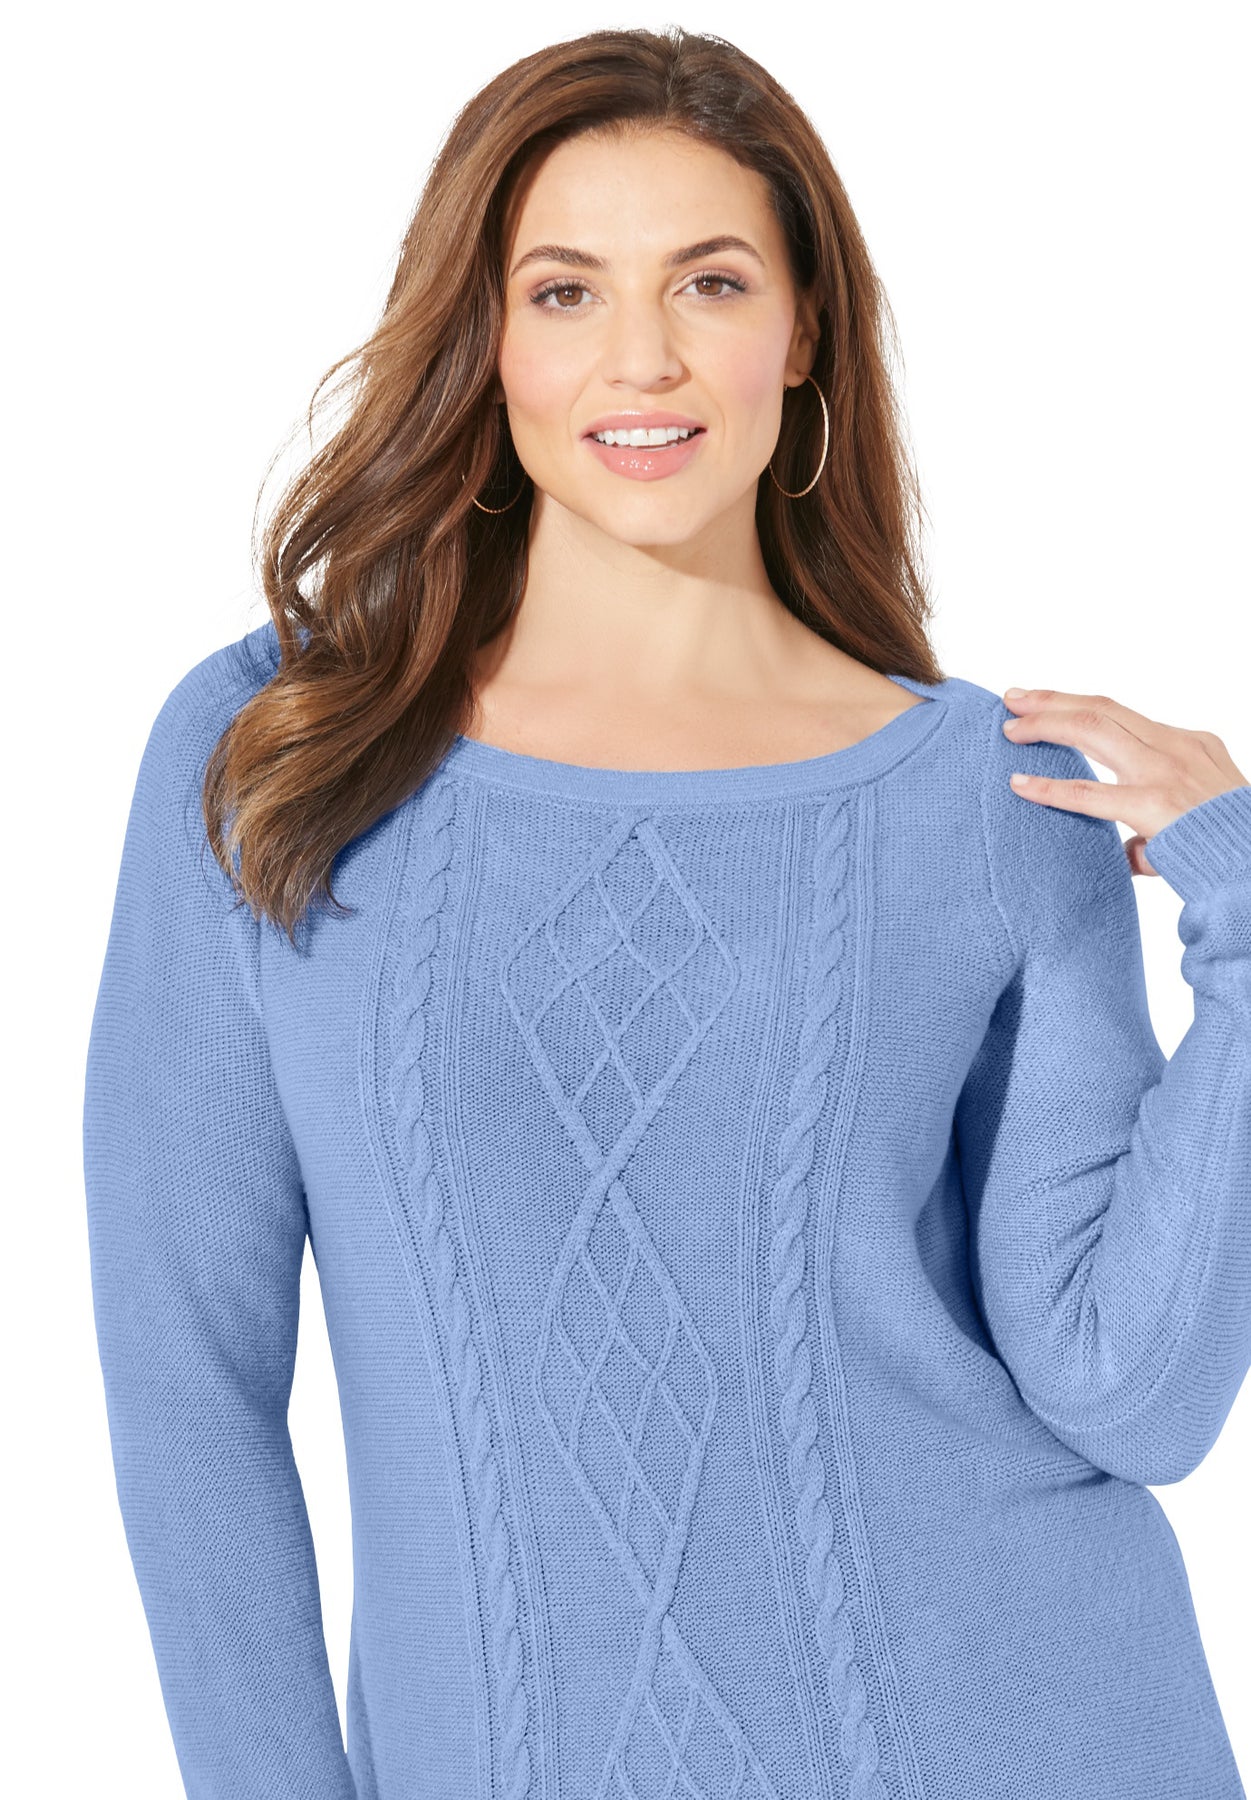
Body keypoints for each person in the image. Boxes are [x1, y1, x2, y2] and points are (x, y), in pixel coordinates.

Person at [82, 24, 1250, 1800]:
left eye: (710, 282)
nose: (642, 355)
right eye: (564, 292)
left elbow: (1129, 1392)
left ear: (805, 331)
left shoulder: (991, 800)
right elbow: (190, 1392)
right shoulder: (282, 755)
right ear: (483, 340)